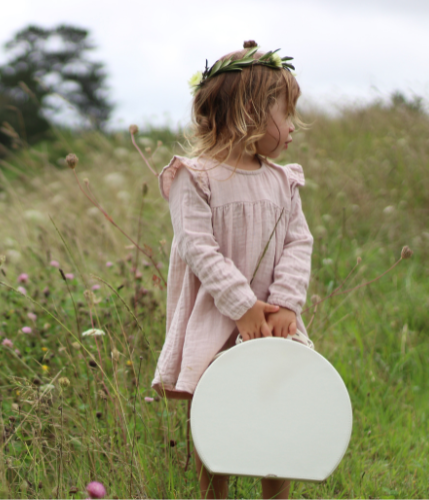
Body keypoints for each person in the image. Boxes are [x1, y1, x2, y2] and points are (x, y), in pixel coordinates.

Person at [151, 40, 313, 499]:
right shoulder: (195, 176)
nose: (293, 127)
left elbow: (299, 242)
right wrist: (243, 306)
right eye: (286, 115)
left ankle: (275, 494)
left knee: (278, 404)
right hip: (218, 314)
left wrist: (285, 303)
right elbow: (197, 246)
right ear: (248, 115)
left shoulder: (283, 181)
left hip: (274, 321)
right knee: (216, 409)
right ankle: (214, 493)